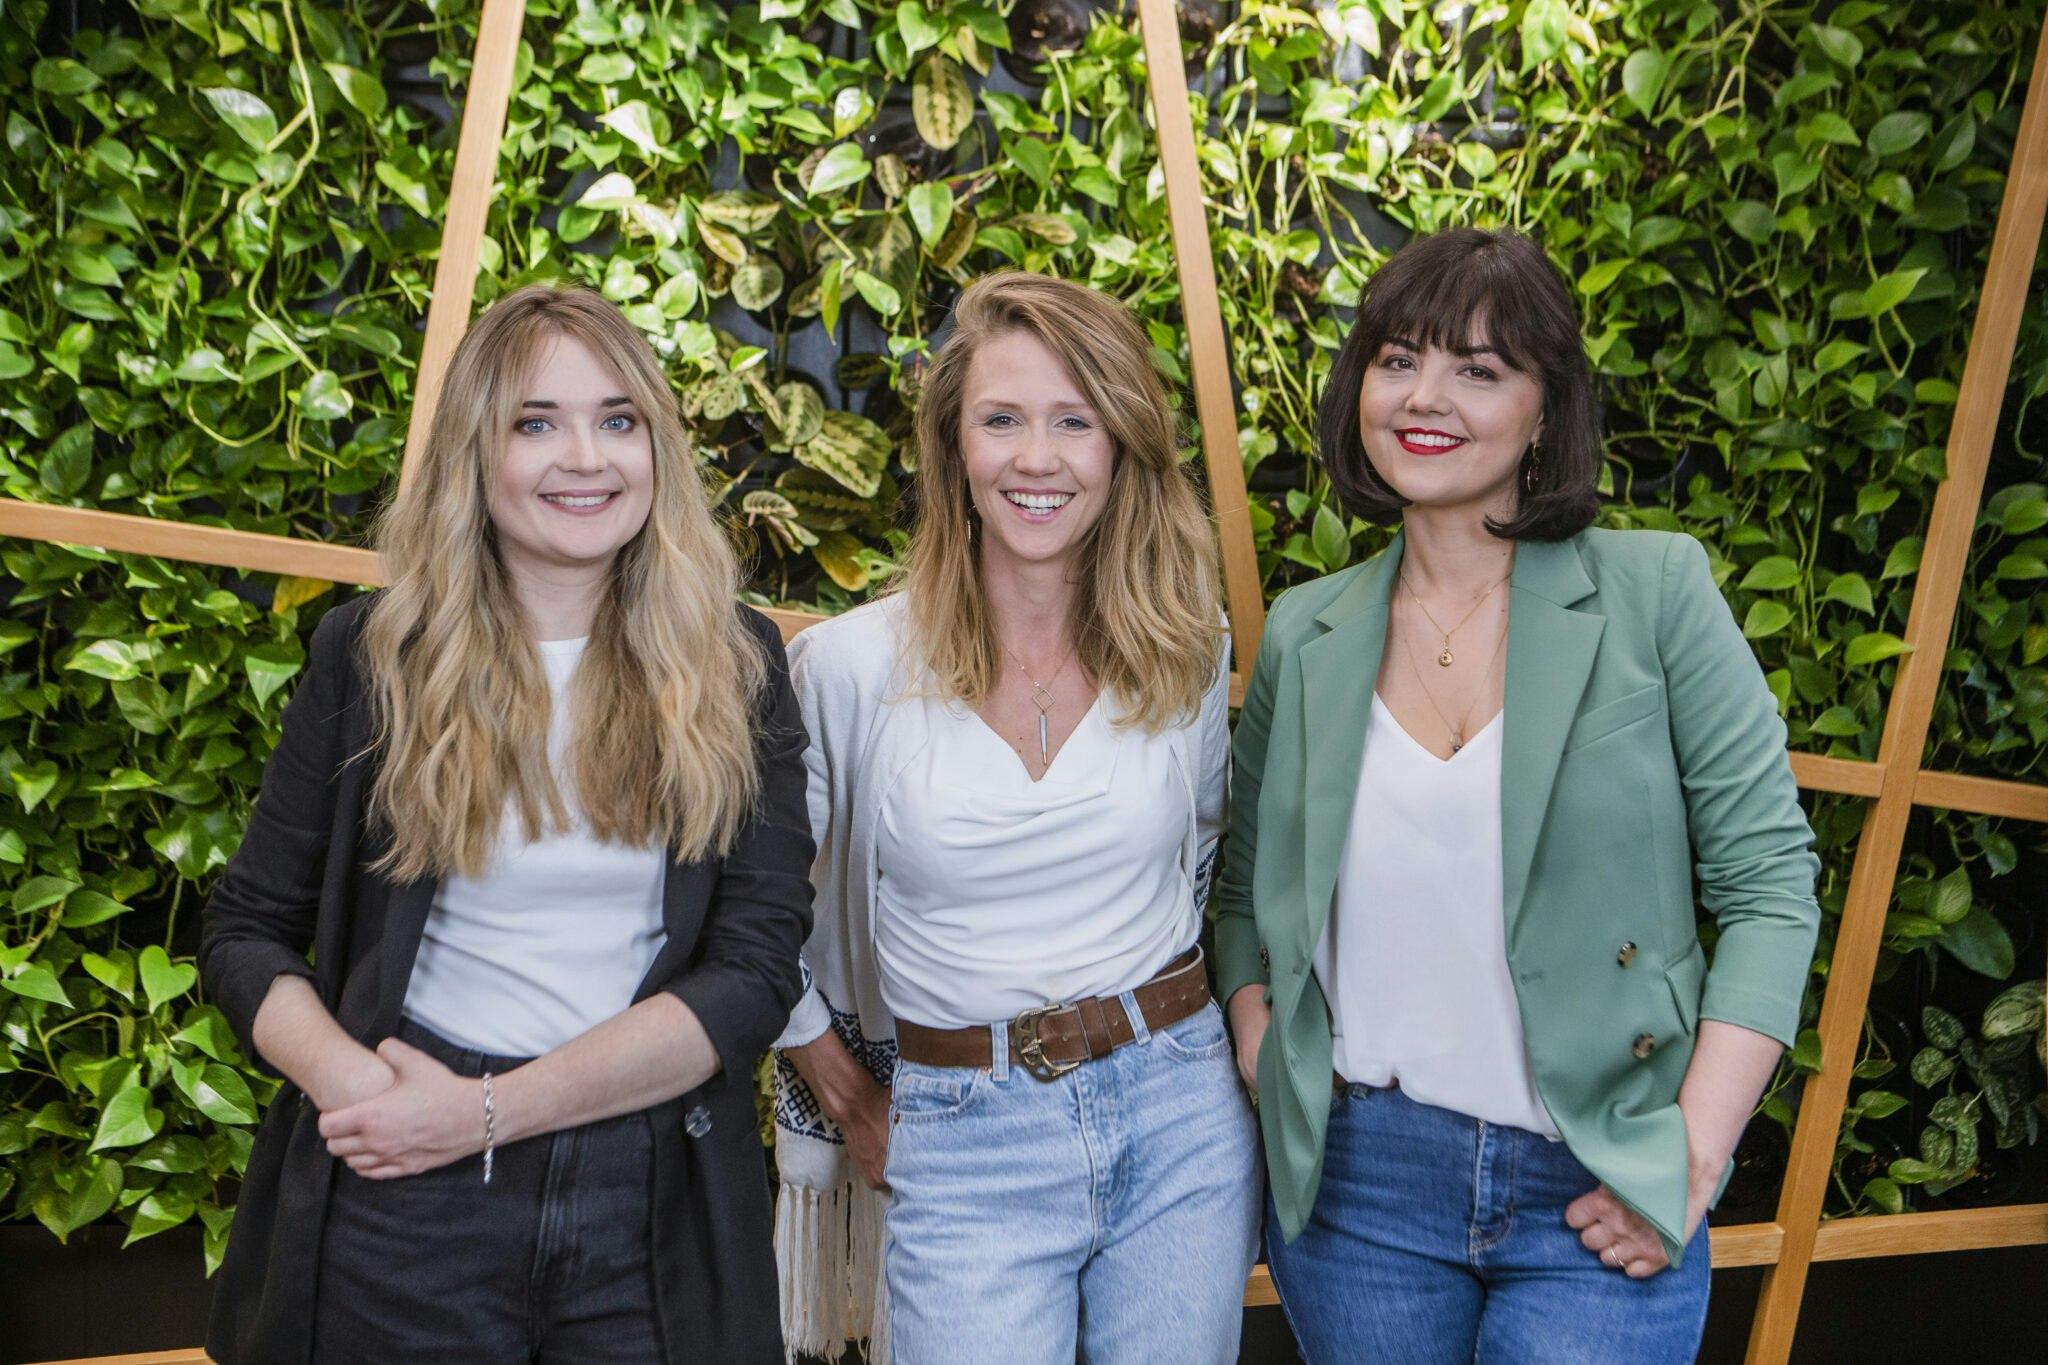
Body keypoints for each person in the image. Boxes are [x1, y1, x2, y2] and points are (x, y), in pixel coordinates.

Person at [1215, 227, 1821, 1363]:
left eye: (1478, 369)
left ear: (1546, 411)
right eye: (1398, 360)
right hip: (1358, 1189)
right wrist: (1262, 1048)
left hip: (1597, 1169)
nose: (1424, 397)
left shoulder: (1655, 591)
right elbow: (1244, 894)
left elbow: (1771, 888)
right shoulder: (1305, 631)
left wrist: (1690, 1156)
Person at [197, 285, 814, 1364]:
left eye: (617, 419)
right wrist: (359, 1088)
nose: (586, 458)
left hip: (648, 1197)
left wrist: (487, 1112)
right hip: (404, 1195)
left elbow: (755, 971)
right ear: (473, 455)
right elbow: (245, 929)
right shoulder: (374, 657)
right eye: (536, 423)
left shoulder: (736, 662)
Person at [769, 272, 1258, 1365]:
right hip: (962, 1132)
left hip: (1178, 1112)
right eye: (1001, 420)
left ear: (1121, 446)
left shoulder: (1185, 647)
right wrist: (849, 1094)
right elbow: (757, 914)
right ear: (954, 448)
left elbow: (1203, 856)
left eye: (1074, 421)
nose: (1037, 458)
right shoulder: (850, 670)